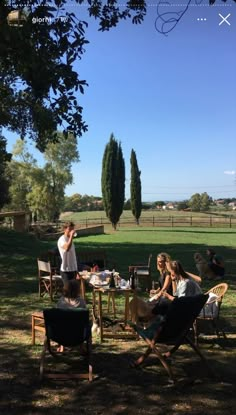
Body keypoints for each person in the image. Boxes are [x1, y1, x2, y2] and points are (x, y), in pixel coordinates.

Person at [57, 279, 87, 352]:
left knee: (62, 323)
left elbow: (58, 317)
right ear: (78, 290)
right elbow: (84, 319)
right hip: (78, 333)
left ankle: (62, 346)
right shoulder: (81, 302)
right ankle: (82, 346)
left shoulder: (61, 301)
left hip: (62, 332)